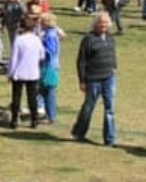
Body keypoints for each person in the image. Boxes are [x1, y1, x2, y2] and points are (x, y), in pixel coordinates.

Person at [71, 12, 118, 147]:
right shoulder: (88, 39)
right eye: (101, 23)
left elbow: (113, 54)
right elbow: (81, 61)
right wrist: (82, 80)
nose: (103, 25)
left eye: (105, 23)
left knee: (110, 108)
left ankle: (109, 139)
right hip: (93, 79)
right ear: (96, 24)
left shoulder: (110, 37)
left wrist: (114, 68)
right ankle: (79, 132)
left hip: (109, 77)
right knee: (88, 107)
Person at [7, 16, 44, 129]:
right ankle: (34, 120)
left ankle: (14, 120)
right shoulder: (37, 40)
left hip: (19, 72)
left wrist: (10, 73)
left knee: (16, 97)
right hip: (33, 72)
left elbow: (14, 58)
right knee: (32, 97)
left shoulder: (19, 40)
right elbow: (42, 55)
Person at [39, 12, 62, 125]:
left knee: (48, 91)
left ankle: (51, 116)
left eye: (42, 22)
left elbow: (51, 52)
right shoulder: (49, 33)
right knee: (44, 91)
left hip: (49, 66)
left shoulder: (50, 35)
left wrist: (40, 47)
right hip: (50, 65)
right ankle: (48, 114)